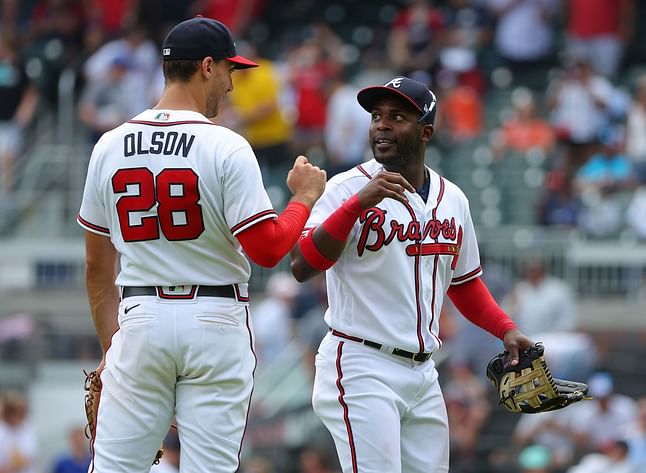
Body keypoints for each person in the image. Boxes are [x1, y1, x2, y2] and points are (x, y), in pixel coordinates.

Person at [76, 16, 326, 473]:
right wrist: (305, 198)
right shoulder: (225, 145)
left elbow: (96, 268)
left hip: (140, 318)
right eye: (231, 70)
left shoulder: (109, 145)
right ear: (207, 67)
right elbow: (269, 248)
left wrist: (115, 350)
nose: (231, 85)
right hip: (214, 318)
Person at [289, 76, 533, 473]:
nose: (382, 125)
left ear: (426, 132)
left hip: (423, 372)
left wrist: (504, 328)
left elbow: (464, 280)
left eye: (397, 116)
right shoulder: (345, 188)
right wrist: (356, 205)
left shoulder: (452, 198)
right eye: (377, 116)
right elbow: (302, 265)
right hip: (360, 363)